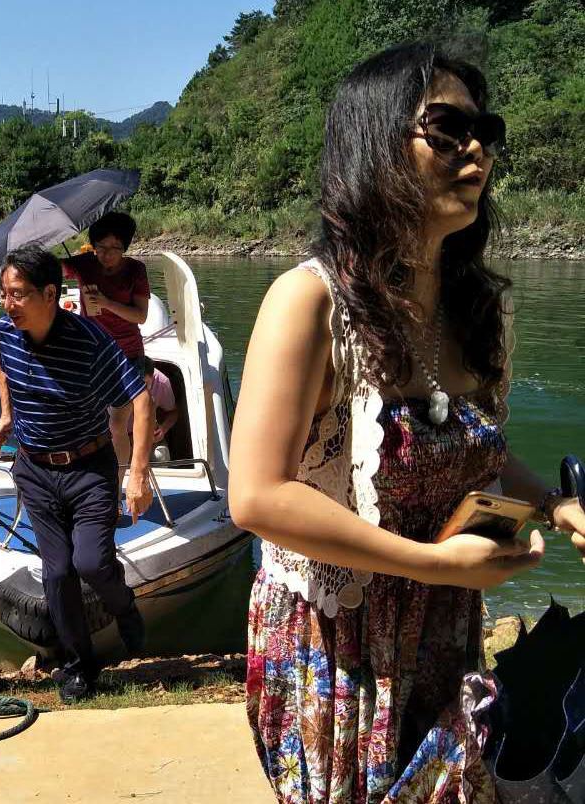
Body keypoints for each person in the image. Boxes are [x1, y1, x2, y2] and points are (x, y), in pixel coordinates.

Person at [228, 43, 585, 803]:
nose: (476, 149)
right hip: (339, 646)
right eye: (448, 128)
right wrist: (430, 564)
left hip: (447, 626)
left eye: (486, 131)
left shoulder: (479, 311)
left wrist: (557, 507)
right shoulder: (309, 302)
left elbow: (481, 453)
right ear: (375, 142)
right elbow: (256, 497)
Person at [0, 245, 155, 701]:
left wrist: (138, 473)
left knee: (92, 564)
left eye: (18, 294)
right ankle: (79, 666)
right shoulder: (7, 330)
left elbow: (140, 398)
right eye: (4, 294)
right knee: (57, 573)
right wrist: (7, 414)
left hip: (88, 468)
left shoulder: (89, 341)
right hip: (34, 470)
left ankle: (123, 605)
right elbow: (3, 366)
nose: (9, 305)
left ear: (50, 294)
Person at [62, 212, 151, 503]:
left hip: (127, 354)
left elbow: (141, 315)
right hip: (90, 353)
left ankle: (116, 487)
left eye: (114, 248)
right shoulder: (84, 264)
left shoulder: (135, 270)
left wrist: (106, 303)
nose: (107, 254)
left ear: (124, 247)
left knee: (116, 424)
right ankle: (86, 484)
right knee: (86, 423)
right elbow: (48, 270)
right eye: (100, 247)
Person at [132, 356, 178, 463]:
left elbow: (173, 413)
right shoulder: (117, 382)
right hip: (123, 437)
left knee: (161, 456)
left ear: (153, 377)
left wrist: (163, 429)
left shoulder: (162, 382)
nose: (140, 390)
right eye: (136, 384)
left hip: (150, 437)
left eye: (145, 384)